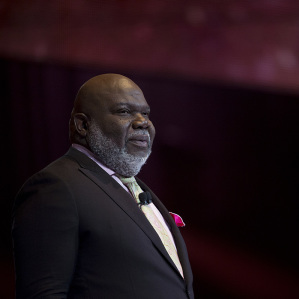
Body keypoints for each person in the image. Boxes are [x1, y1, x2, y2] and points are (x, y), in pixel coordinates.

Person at [12, 74, 194, 298]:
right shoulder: (55, 187)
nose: (142, 122)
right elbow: (43, 292)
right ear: (83, 125)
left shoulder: (135, 188)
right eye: (124, 112)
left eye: (145, 113)